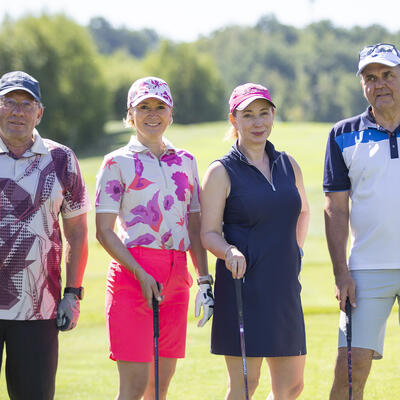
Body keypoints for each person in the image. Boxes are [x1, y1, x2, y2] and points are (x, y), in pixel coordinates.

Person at [95, 76, 213, 400]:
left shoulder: (186, 161)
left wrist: (204, 280)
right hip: (133, 276)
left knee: (159, 387)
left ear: (170, 113)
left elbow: (194, 225)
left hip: (177, 278)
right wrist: (140, 272)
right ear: (130, 115)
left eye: (160, 106)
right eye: (143, 106)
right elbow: (104, 231)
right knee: (134, 387)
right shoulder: (116, 162)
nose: (152, 113)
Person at [201, 83, 310, 399]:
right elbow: (208, 233)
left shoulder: (288, 164)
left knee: (292, 386)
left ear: (273, 115)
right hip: (242, 289)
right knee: (245, 386)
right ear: (233, 120)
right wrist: (228, 251)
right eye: (248, 115)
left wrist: (296, 251)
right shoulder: (221, 171)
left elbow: (303, 211)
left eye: (264, 113)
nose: (258, 122)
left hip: (284, 288)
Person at [0, 71, 90, 399]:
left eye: (27, 104)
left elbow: (77, 233)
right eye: (9, 102)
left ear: (39, 113)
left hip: (39, 308)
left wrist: (73, 294)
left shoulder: (61, 159)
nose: (18, 111)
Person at [324, 43, 400, 399]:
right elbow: (336, 208)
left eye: (388, 75)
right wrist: (341, 272)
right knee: (349, 369)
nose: (379, 84)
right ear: (362, 85)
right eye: (370, 77)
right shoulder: (342, 134)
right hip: (366, 270)